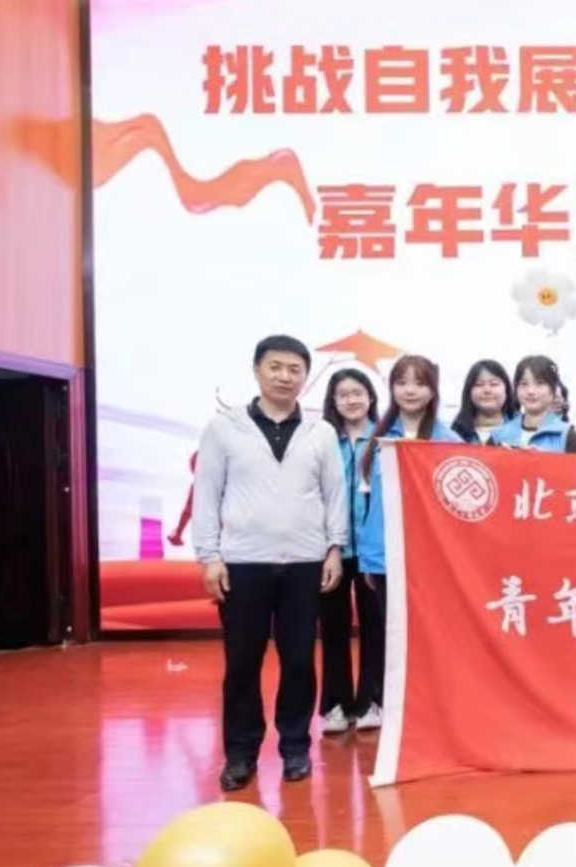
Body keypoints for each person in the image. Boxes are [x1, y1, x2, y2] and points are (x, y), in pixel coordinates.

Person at [191, 335, 346, 791]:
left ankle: (295, 747)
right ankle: (240, 754)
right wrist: (209, 557)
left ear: (305, 376)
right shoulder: (224, 428)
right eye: (275, 367)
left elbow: (334, 493)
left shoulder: (320, 431)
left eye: (295, 369)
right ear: (257, 370)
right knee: (242, 663)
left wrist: (334, 548)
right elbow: (206, 493)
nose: (285, 377)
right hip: (243, 563)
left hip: (305, 562)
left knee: (299, 660)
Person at [355, 354, 464, 731]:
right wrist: (370, 560)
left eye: (420, 382)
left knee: (433, 635)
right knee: (391, 635)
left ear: (433, 389)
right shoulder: (378, 440)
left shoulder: (450, 441)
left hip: (433, 558)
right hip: (385, 557)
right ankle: (395, 709)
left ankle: (435, 708)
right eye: (402, 382)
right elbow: (368, 505)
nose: (410, 390)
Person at [317, 366, 383, 735]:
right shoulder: (323, 439)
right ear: (333, 401)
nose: (351, 400)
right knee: (333, 629)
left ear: (370, 397)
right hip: (331, 549)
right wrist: (330, 545)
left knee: (376, 627)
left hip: (375, 549)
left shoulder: (386, 438)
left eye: (358, 393)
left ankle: (373, 700)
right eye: (343, 395)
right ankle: (336, 704)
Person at [493, 355, 576, 452]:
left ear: (553, 390)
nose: (531, 391)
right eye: (524, 383)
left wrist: (543, 459)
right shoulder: (498, 435)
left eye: (540, 383)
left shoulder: (566, 435)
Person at [450, 360, 517, 443]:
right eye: (479, 384)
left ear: (507, 389)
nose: (487, 390)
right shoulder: (454, 434)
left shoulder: (521, 430)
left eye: (494, 384)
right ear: (469, 391)